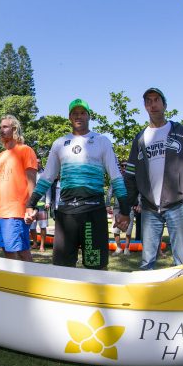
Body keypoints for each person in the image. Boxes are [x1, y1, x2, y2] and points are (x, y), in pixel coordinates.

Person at [119, 88, 183, 270]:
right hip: (149, 208)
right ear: (145, 107)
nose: (152, 104)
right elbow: (130, 176)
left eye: (156, 100)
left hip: (178, 205)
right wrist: (125, 209)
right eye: (148, 101)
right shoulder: (140, 138)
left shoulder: (179, 131)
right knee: (147, 262)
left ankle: (182, 296)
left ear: (164, 104)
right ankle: (147, 297)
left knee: (181, 261)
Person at [26, 99, 127, 270]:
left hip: (93, 213)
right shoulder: (59, 143)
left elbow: (115, 176)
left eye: (82, 113)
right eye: (75, 113)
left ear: (89, 116)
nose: (78, 116)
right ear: (69, 117)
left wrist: (124, 210)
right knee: (62, 269)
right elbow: (47, 177)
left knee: (97, 268)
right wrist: (30, 204)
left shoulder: (102, 141)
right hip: (67, 215)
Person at [0, 115, 37, 261]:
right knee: (6, 251)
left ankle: (31, 281)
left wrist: (30, 207)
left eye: (5, 127)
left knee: (21, 250)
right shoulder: (0, 156)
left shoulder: (26, 150)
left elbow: (32, 182)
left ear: (14, 129)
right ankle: (13, 281)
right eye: (0, 127)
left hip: (16, 211)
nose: (1, 130)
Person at [29, 161, 48, 252]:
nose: (37, 164)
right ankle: (35, 243)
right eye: (35, 163)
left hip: (42, 204)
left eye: (39, 163)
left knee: (42, 226)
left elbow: (47, 189)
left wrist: (48, 202)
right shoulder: (30, 173)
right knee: (32, 226)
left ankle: (42, 246)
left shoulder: (45, 174)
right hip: (31, 205)